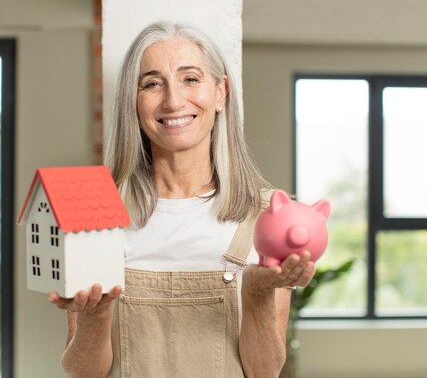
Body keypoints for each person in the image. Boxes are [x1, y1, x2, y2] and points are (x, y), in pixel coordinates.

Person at [48, 21, 316, 378]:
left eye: (190, 79)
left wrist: (257, 291)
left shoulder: (266, 218)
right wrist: (95, 316)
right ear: (134, 99)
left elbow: (263, 371)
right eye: (152, 83)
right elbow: (83, 373)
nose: (173, 100)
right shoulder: (95, 214)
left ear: (220, 92)